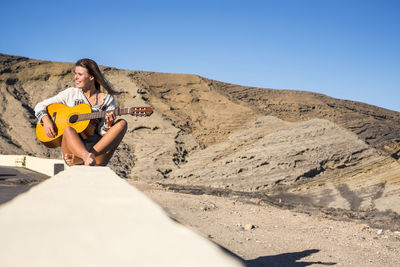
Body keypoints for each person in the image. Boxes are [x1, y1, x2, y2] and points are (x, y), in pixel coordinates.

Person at [34, 58, 127, 166]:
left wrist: (108, 125)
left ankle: (88, 156)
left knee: (122, 124)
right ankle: (84, 157)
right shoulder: (71, 94)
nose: (75, 77)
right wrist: (46, 120)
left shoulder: (107, 100)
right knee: (68, 129)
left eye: (80, 74)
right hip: (72, 152)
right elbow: (40, 106)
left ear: (91, 77)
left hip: (97, 152)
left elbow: (103, 134)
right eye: (75, 74)